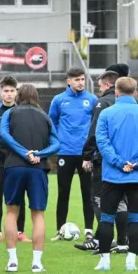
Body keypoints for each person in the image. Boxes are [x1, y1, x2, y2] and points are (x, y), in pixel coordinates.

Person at [94, 77, 138, 271]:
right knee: (136, 218)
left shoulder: (106, 114)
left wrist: (119, 162)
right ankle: (131, 260)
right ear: (136, 92)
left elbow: (103, 143)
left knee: (106, 217)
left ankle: (105, 260)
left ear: (116, 92)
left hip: (113, 175)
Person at [0, 84, 60, 273]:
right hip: (38, 169)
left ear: (18, 96)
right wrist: (39, 154)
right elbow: (57, 143)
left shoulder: (9, 114)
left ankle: (12, 261)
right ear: (36, 97)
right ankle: (37, 263)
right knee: (38, 214)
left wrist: (23, 153)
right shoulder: (45, 116)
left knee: (11, 212)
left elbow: (4, 135)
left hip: (14, 166)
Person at [78, 69, 128, 253]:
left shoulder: (103, 102)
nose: (99, 89)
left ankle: (106, 240)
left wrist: (87, 155)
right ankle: (123, 241)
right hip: (126, 159)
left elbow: (95, 131)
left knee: (98, 199)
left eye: (100, 85)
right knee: (121, 201)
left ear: (107, 85)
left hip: (104, 159)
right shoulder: (131, 103)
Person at [48, 67, 97, 240]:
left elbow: (95, 125)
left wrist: (91, 149)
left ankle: (89, 230)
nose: (81, 83)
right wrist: (58, 141)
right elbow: (51, 122)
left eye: (83, 79)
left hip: (85, 154)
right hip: (65, 152)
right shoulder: (59, 100)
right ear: (68, 81)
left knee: (88, 192)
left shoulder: (92, 100)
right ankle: (60, 230)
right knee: (63, 192)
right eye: (77, 80)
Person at [0, 76, 29, 243]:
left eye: (12, 91)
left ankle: (20, 231)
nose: (9, 94)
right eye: (6, 91)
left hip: (17, 161)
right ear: (0, 93)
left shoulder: (21, 112)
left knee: (19, 196)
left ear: (16, 92)